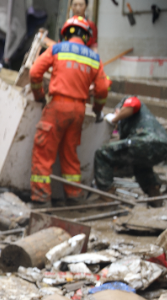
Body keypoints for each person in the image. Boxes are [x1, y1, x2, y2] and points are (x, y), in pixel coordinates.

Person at [28, 16, 109, 208]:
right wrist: (97, 110)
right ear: (86, 36)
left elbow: (34, 73)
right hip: (78, 111)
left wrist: (39, 96)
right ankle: (74, 196)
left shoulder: (56, 49)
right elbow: (103, 89)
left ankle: (41, 200)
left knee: (43, 152)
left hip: (57, 107)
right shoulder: (94, 58)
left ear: (65, 33)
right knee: (70, 153)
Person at [95, 97, 167, 204]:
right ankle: (154, 195)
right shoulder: (130, 125)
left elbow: (133, 104)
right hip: (164, 146)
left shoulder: (128, 102)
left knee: (102, 153)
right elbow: (123, 154)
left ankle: (106, 197)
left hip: (145, 141)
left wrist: (115, 118)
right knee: (140, 166)